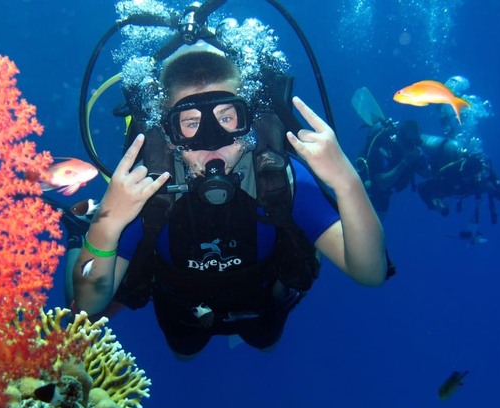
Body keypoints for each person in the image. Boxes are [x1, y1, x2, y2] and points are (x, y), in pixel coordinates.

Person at [72, 49, 387, 359]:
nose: (212, 142)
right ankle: (79, 238)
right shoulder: (148, 192)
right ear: (168, 134)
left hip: (263, 303)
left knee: (267, 344)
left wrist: (346, 181)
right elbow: (87, 305)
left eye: (226, 117)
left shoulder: (281, 180)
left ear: (247, 120)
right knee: (185, 353)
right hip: (181, 309)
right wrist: (109, 222)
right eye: (191, 123)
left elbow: (372, 273)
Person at [417, 134, 500, 222]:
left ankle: (445, 126)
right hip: (443, 153)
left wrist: (497, 190)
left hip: (451, 149)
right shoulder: (455, 181)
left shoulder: (483, 175)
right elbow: (424, 187)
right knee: (418, 144)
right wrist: (434, 204)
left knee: (445, 140)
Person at [355, 119, 430, 220]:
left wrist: (421, 159)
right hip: (367, 194)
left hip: (383, 199)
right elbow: (382, 183)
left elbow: (427, 173)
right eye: (409, 143)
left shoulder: (414, 151)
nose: (412, 147)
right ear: (401, 139)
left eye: (416, 143)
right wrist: (405, 162)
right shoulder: (382, 151)